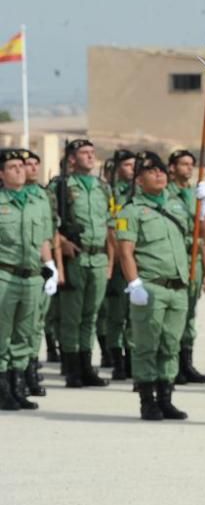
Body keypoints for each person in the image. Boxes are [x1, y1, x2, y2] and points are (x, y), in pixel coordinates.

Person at [115, 152, 192, 421]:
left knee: (171, 344)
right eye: (151, 171)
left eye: (161, 170)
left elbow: (198, 238)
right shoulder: (131, 211)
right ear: (138, 179)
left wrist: (204, 206)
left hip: (177, 287)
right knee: (147, 345)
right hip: (151, 286)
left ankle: (166, 398)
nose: (159, 174)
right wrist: (134, 283)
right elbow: (125, 251)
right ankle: (148, 400)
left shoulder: (177, 206)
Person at [48, 138, 114, 388]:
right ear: (72, 159)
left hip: (97, 257)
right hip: (74, 257)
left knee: (91, 315)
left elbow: (109, 224)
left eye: (92, 152)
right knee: (71, 316)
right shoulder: (60, 185)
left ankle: (87, 366)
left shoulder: (101, 187)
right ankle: (72, 367)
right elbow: (50, 221)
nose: (90, 156)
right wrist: (61, 243)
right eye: (84, 153)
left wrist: (109, 261)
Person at [0, 149, 57, 410]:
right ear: (1, 174)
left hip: (32, 277)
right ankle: (3, 389)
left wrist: (50, 265)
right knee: (2, 335)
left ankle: (17, 386)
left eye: (21, 166)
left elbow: (44, 237)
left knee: (24, 335)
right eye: (12, 167)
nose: (19, 170)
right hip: (5, 274)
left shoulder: (37, 200)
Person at [166, 149, 205, 385]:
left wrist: (204, 206)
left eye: (191, 164)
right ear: (172, 167)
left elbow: (203, 235)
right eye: (183, 164)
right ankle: (171, 365)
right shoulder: (166, 194)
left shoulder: (195, 194)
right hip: (175, 261)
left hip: (193, 262)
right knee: (175, 316)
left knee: (190, 316)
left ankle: (186, 362)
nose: (188, 168)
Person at [23, 149, 59, 396]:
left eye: (36, 164)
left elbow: (47, 234)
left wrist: (51, 265)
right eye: (26, 164)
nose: (31, 168)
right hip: (10, 271)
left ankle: (28, 372)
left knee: (34, 325)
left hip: (37, 270)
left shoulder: (41, 197)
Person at [98, 149, 135, 375]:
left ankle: (131, 357)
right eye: (127, 165)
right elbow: (108, 228)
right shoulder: (107, 192)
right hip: (114, 259)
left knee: (133, 314)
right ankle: (115, 358)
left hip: (134, 259)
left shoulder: (138, 192)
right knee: (115, 314)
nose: (131, 169)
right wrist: (111, 262)